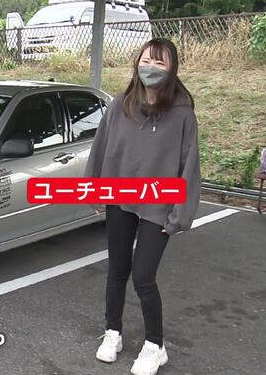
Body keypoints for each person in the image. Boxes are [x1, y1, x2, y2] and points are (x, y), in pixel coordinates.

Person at [85, 38, 201, 375]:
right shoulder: (120, 105)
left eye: (160, 63)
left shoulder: (182, 114)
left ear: (172, 70)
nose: (151, 67)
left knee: (144, 276)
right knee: (117, 269)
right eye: (147, 60)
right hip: (120, 198)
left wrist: (180, 215)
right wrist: (94, 190)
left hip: (158, 204)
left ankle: (155, 346)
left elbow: (190, 166)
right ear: (137, 63)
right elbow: (100, 147)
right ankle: (113, 332)